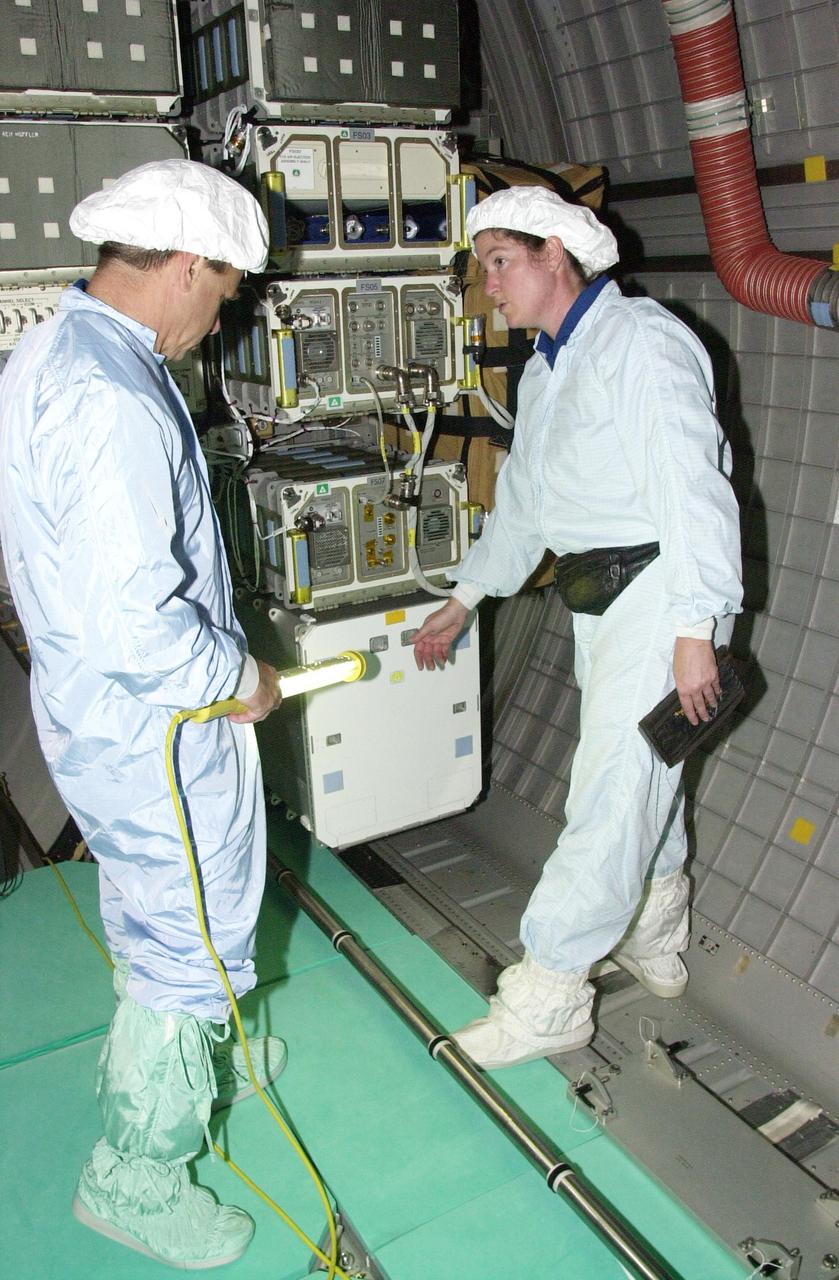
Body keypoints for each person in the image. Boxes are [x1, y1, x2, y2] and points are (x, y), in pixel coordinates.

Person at [0, 159, 285, 1268]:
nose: (219, 318)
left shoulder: (52, 348)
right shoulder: (113, 393)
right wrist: (241, 678)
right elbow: (140, 625)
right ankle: (137, 1170)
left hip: (99, 715)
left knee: (152, 911)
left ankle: (168, 1065)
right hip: (152, 721)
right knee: (191, 938)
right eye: (222, 293)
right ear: (184, 266)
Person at [412, 185, 742, 1070]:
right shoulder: (549, 365)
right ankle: (654, 928)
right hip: (603, 598)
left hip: (660, 594)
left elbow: (692, 483)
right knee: (644, 775)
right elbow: (525, 501)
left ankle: (553, 992)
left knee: (609, 793)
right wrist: (465, 597)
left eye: (500, 263)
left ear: (556, 253)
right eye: (485, 268)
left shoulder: (639, 341)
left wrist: (695, 625)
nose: (489, 287)